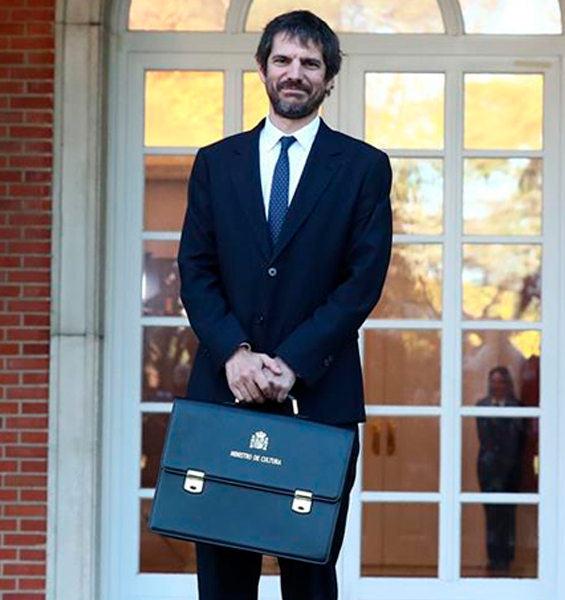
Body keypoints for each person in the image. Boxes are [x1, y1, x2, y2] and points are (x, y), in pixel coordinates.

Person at [176, 10, 393, 600]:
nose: (295, 73)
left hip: (319, 399)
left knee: (310, 579)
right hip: (224, 394)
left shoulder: (363, 168)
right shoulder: (215, 162)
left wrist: (292, 362)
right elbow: (196, 270)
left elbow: (361, 282)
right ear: (263, 68)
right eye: (283, 60)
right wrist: (235, 354)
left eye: (310, 63)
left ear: (329, 77)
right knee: (223, 580)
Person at [475, 366, 525, 573]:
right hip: (488, 467)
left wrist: (507, 461)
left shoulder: (517, 407)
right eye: (493, 381)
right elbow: (484, 437)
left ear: (507, 384)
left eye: (501, 381)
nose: (497, 385)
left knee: (507, 514)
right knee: (491, 513)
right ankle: (493, 557)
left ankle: (506, 559)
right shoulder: (481, 406)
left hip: (511, 467)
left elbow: (518, 438)